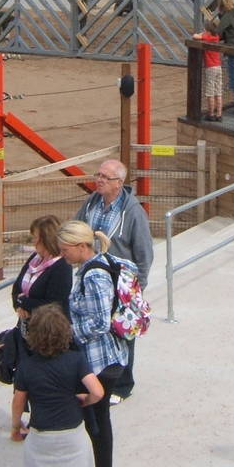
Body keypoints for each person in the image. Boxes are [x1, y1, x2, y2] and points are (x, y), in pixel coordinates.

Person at [10, 303, 104, 467]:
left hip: (41, 437)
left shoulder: (27, 366)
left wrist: (16, 426)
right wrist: (83, 400)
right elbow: (97, 391)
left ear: (34, 335)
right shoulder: (75, 360)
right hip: (72, 435)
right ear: (65, 332)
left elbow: (19, 401)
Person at [55, 220, 130, 467]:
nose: (63, 256)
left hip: (101, 361)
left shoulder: (93, 276)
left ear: (81, 246)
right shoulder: (94, 266)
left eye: (65, 250)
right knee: (96, 424)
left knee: (97, 426)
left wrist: (67, 333)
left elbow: (99, 323)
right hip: (102, 358)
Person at [75, 157, 153, 403]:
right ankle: (98, 379)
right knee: (97, 330)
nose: (98, 180)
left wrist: (134, 289)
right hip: (92, 281)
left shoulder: (133, 212)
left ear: (118, 183)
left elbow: (144, 254)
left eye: (105, 177)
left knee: (122, 333)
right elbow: (76, 228)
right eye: (98, 175)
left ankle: (122, 386)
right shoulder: (91, 204)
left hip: (120, 286)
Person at [11, 215, 72, 325]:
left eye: (35, 237)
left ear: (45, 239)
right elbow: (17, 287)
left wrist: (24, 303)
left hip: (49, 330)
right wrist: (19, 306)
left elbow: (54, 304)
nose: (33, 241)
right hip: (26, 326)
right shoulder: (34, 258)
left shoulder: (62, 266)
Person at [192, 28, 224, 121]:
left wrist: (202, 33)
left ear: (208, 30)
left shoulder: (207, 36)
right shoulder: (216, 36)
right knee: (218, 92)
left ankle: (211, 114)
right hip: (218, 66)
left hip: (210, 67)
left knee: (210, 92)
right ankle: (219, 114)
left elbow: (195, 36)